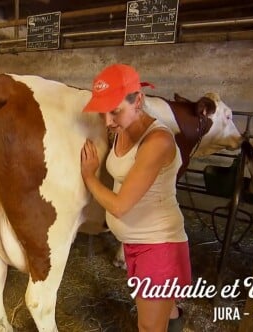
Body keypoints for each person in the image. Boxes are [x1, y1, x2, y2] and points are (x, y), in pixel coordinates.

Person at [80, 64, 190, 332]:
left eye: (115, 111)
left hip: (158, 246)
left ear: (138, 100)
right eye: (104, 112)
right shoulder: (122, 129)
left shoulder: (158, 142)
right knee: (165, 310)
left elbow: (120, 206)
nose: (108, 121)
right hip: (135, 243)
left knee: (149, 327)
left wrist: (89, 177)